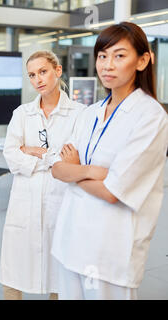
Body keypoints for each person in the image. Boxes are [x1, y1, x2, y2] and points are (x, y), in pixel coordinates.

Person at [51, 22, 168, 300]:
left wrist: (75, 170)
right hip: (71, 240)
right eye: (102, 56)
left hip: (111, 249)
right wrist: (92, 170)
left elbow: (113, 191)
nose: (107, 65)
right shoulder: (90, 113)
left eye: (119, 56)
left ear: (142, 61)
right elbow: (56, 168)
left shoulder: (150, 117)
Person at [0, 50, 85, 300]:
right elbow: (11, 156)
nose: (38, 79)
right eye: (32, 75)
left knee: (60, 280)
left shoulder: (80, 114)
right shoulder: (22, 114)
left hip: (61, 202)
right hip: (23, 206)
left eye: (43, 71)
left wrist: (34, 152)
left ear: (57, 71)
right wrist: (52, 158)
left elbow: (75, 160)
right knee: (13, 276)